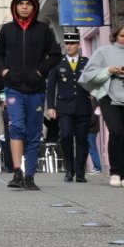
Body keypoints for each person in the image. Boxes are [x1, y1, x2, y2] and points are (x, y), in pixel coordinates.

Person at [0, 0, 62, 191]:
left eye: (28, 4)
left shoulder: (43, 30)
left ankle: (29, 176)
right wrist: (5, 71)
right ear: (15, 6)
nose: (24, 6)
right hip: (13, 88)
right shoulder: (6, 29)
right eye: (21, 3)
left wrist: (40, 72)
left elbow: (55, 55)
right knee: (16, 127)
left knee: (33, 133)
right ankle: (17, 173)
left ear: (34, 7)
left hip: (36, 89)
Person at [80, 22, 124, 188]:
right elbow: (89, 75)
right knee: (116, 132)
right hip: (109, 98)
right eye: (121, 35)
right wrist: (109, 71)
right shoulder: (103, 52)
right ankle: (115, 172)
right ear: (116, 35)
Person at [46, 29, 91, 182]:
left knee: (82, 139)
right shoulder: (58, 63)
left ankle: (80, 173)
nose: (69, 46)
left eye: (72, 43)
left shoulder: (87, 62)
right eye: (67, 44)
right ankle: (69, 169)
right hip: (64, 107)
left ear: (78, 45)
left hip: (83, 106)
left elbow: (94, 83)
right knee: (65, 136)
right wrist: (50, 106)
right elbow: (51, 86)